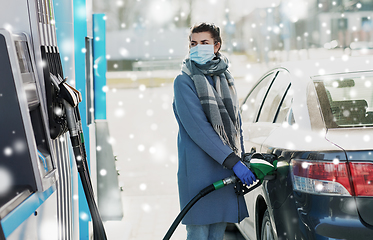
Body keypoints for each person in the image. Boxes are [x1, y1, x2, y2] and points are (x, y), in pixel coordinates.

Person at [172, 22, 256, 240]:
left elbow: (235, 124)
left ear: (216, 46)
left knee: (217, 234)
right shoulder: (184, 82)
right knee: (199, 233)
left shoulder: (224, 78)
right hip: (200, 172)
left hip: (224, 170)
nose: (197, 47)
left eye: (204, 43)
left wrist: (242, 158)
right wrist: (233, 161)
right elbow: (199, 129)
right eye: (193, 43)